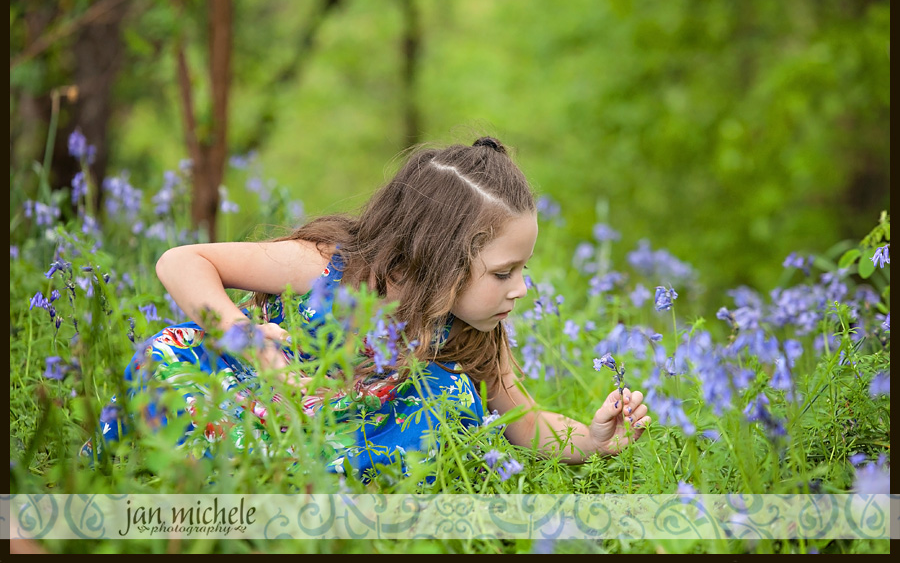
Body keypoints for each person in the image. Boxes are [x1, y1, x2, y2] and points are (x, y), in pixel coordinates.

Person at [84, 136, 651, 477]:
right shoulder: (333, 265)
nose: (521, 288)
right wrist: (236, 330)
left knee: (448, 399)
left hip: (344, 445)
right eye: (504, 272)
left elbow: (521, 421)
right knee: (168, 357)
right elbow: (180, 261)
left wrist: (592, 441)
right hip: (257, 409)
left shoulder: (472, 332)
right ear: (440, 258)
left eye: (522, 269)